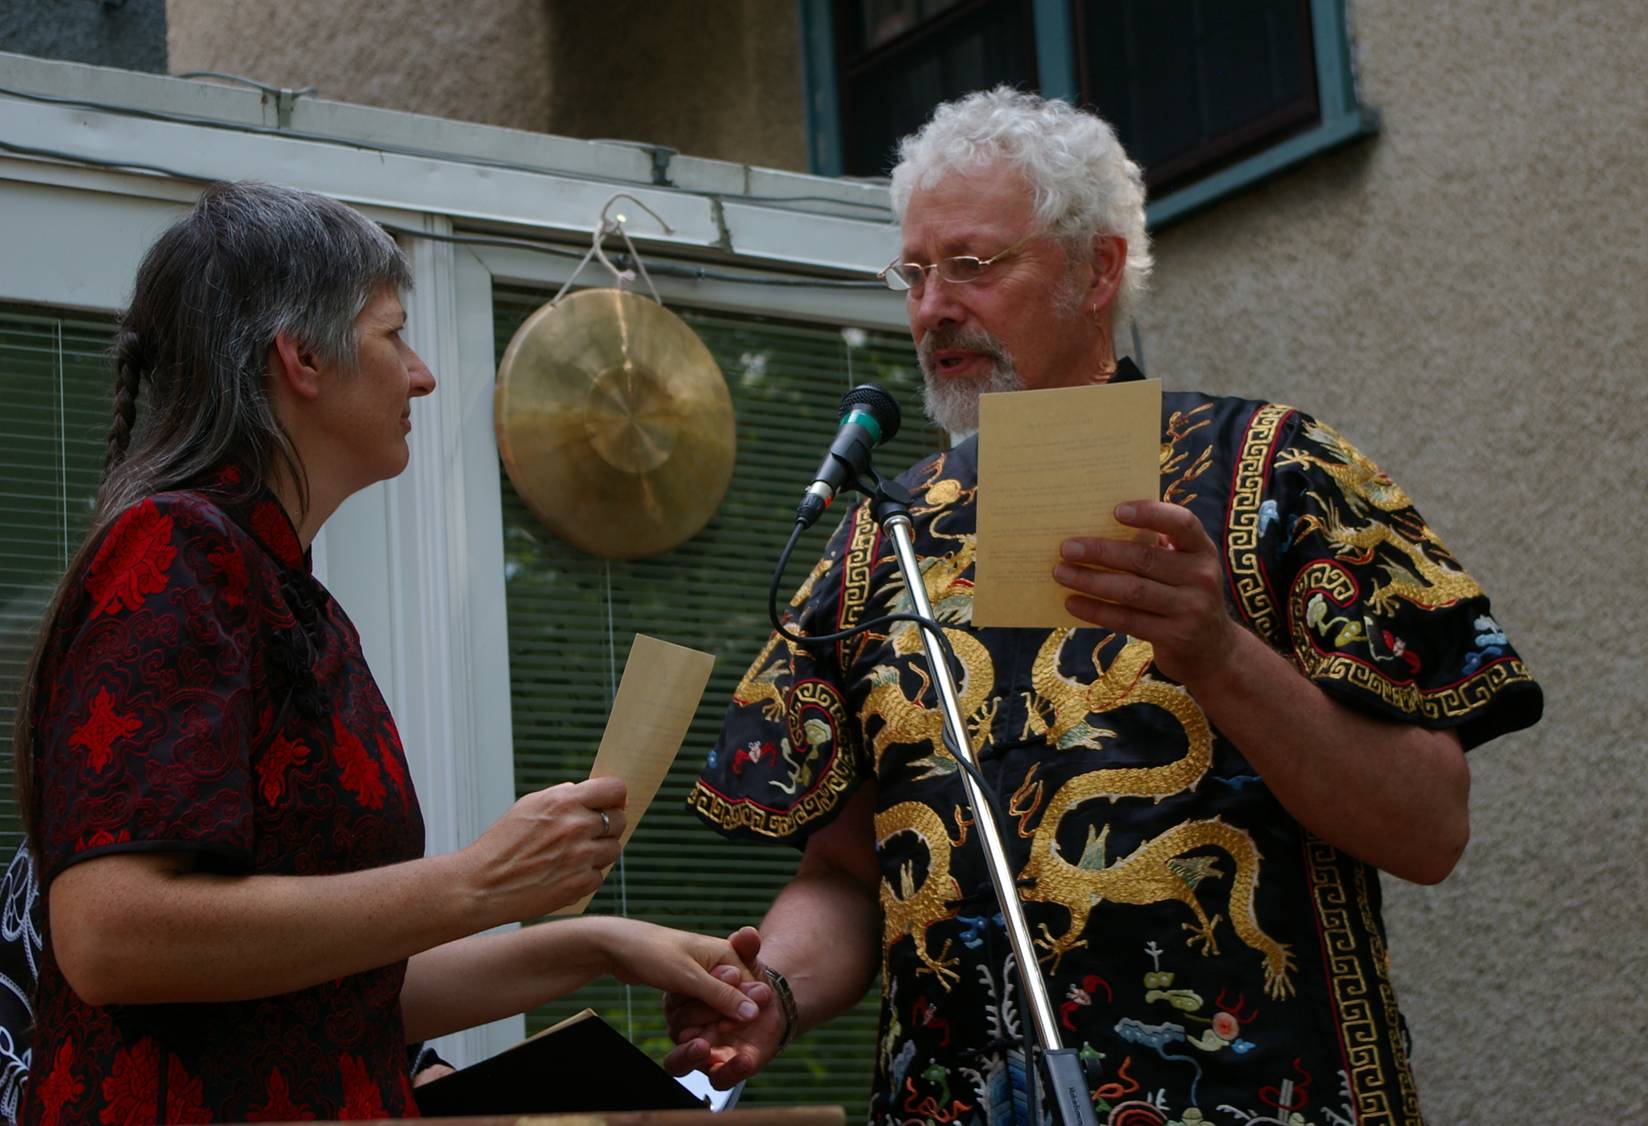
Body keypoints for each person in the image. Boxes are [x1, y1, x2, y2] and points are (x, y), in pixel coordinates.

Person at [665, 88, 1542, 1125]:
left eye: (973, 266)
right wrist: (776, 992)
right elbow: (851, 872)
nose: (931, 306)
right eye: (913, 273)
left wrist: (1218, 653)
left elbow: (1429, 827)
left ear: (1098, 269)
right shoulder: (878, 539)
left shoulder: (1274, 474)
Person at [10, 180, 767, 1125]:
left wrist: (604, 946)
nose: (422, 374)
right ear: (304, 357)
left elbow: (341, 995)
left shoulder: (290, 593)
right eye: (393, 334)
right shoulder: (176, 549)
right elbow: (111, 937)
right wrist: (477, 880)